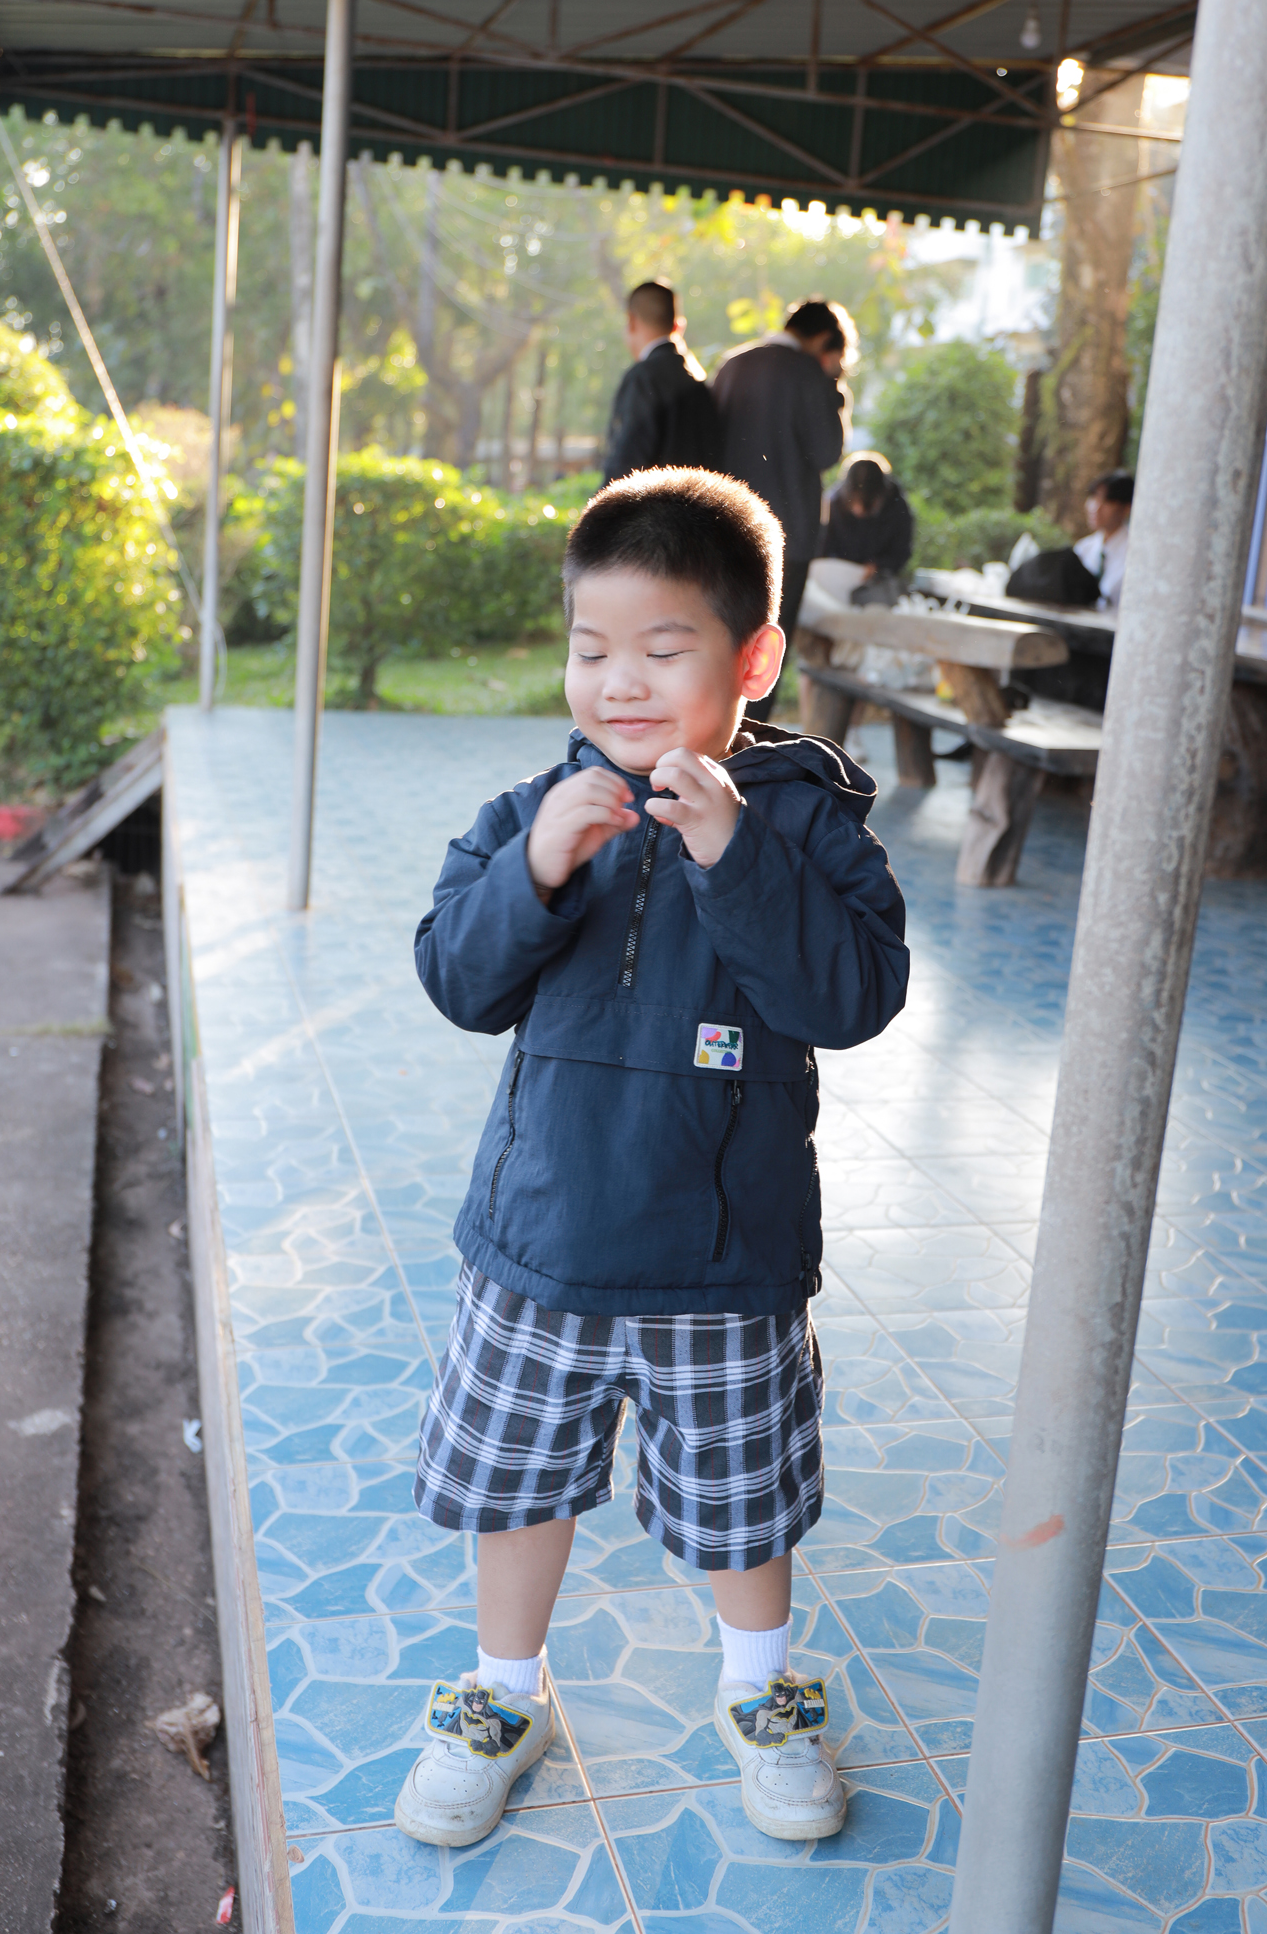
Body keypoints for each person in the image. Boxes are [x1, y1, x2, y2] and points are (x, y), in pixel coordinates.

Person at [396, 466, 909, 1853]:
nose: (618, 681)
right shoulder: (534, 807)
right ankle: (505, 1692)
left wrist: (733, 851)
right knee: (517, 1486)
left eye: (663, 648)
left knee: (743, 1503)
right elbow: (456, 976)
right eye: (591, 647)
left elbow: (855, 996)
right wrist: (534, 874)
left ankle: (761, 1690)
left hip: (727, 1258)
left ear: (753, 658)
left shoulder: (807, 822)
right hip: (544, 1242)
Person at [712, 298, 854, 711]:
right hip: (788, 534)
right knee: (768, 640)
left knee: (723, 631)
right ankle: (750, 730)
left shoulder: (733, 364)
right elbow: (827, 452)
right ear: (824, 341)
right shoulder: (809, 374)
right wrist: (834, 390)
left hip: (725, 526)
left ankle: (712, 725)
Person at [603, 278, 723, 483]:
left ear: (631, 321)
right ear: (678, 325)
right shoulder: (697, 379)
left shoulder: (643, 378)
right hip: (697, 499)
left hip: (653, 500)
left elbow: (627, 461)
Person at [820, 451, 914, 606]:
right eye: (855, 501)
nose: (859, 510)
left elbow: (901, 551)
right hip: (836, 582)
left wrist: (879, 565)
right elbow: (822, 547)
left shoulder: (897, 507)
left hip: (877, 585)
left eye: (867, 504)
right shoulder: (833, 503)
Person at [1073, 469, 1134, 607]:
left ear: (1126, 508)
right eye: (1093, 498)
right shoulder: (1083, 548)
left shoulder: (1135, 553)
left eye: (1107, 501)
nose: (1096, 507)